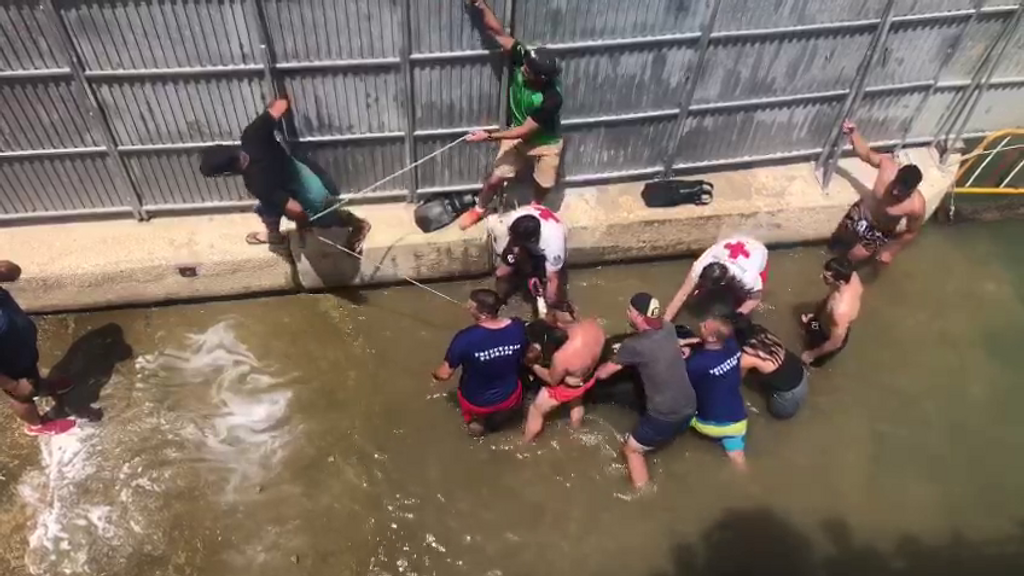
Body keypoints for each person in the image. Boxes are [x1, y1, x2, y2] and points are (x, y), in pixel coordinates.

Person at [199, 98, 371, 251]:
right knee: (268, 202)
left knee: (316, 215)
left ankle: (358, 224)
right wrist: (272, 110)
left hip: (306, 187)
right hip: (300, 171)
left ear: (228, 171)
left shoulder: (256, 182)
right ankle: (274, 235)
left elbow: (296, 210)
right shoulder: (252, 134)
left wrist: (303, 224)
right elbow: (281, 104)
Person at [458, 0, 564, 229]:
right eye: (524, 65)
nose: (522, 68)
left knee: (545, 181)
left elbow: (526, 130)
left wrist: (487, 136)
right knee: (495, 178)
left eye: (527, 70)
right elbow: (497, 33)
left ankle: (536, 207)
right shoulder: (525, 58)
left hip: (545, 141)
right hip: (517, 136)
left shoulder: (551, 99)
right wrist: (480, 5)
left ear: (542, 78)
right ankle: (479, 209)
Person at [594, 293, 696, 488]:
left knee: (631, 450)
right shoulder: (668, 328)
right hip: (690, 406)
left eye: (630, 311)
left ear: (640, 316)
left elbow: (604, 374)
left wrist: (592, 371)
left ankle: (643, 492)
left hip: (664, 415)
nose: (627, 313)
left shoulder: (633, 346)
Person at [829, 120, 926, 266]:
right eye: (895, 185)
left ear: (912, 191)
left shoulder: (916, 206)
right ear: (896, 175)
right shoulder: (887, 167)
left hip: (879, 230)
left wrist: (891, 251)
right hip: (862, 212)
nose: (894, 191)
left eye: (901, 192)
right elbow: (866, 154)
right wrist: (854, 134)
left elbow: (911, 232)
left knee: (851, 259)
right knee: (836, 242)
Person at [432, 289, 528, 436]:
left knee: (476, 426)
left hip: (477, 403)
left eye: (470, 306)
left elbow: (445, 374)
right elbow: (529, 354)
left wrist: (434, 374)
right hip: (509, 396)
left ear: (481, 311)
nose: (467, 307)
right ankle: (499, 423)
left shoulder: (465, 338)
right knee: (503, 415)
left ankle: (477, 428)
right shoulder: (517, 327)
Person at [0, 261, 76, 435]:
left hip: (21, 348)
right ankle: (38, 426)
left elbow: (13, 272)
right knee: (22, 397)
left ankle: (40, 385)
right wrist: (13, 385)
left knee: (31, 376)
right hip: (8, 366)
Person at [523, 300, 606, 443]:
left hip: (568, 386)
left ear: (558, 324)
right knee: (576, 403)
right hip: (587, 378)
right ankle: (576, 430)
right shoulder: (595, 326)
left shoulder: (563, 355)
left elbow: (551, 380)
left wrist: (533, 366)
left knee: (535, 410)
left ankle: (525, 444)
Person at [682, 304, 748, 470]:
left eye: (704, 326)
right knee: (738, 460)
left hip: (711, 425)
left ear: (712, 338)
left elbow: (684, 387)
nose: (701, 323)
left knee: (679, 410)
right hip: (738, 421)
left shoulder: (696, 364)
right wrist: (690, 341)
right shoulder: (732, 346)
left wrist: (683, 354)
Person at [664, 236, 769, 320]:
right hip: (733, 241)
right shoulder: (700, 266)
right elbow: (682, 295)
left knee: (740, 298)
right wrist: (664, 323)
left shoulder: (747, 278)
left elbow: (755, 299)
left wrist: (734, 318)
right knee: (693, 292)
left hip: (757, 250)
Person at [733, 316, 808, 420]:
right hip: (800, 375)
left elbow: (737, 379)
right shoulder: (763, 335)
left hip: (786, 398)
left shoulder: (748, 356)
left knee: (776, 415)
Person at [494, 204, 567, 308]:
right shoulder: (515, 217)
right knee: (501, 274)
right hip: (523, 237)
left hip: (542, 250)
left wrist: (551, 301)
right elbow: (517, 250)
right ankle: (498, 300)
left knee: (551, 296)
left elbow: (553, 278)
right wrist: (530, 274)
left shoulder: (554, 245)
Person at [801, 256, 862, 367]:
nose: (821, 277)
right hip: (824, 321)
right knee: (811, 326)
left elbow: (835, 342)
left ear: (840, 282)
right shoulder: (852, 277)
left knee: (809, 361)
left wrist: (811, 354)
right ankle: (813, 323)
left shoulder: (840, 310)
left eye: (826, 277)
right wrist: (816, 315)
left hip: (825, 337)